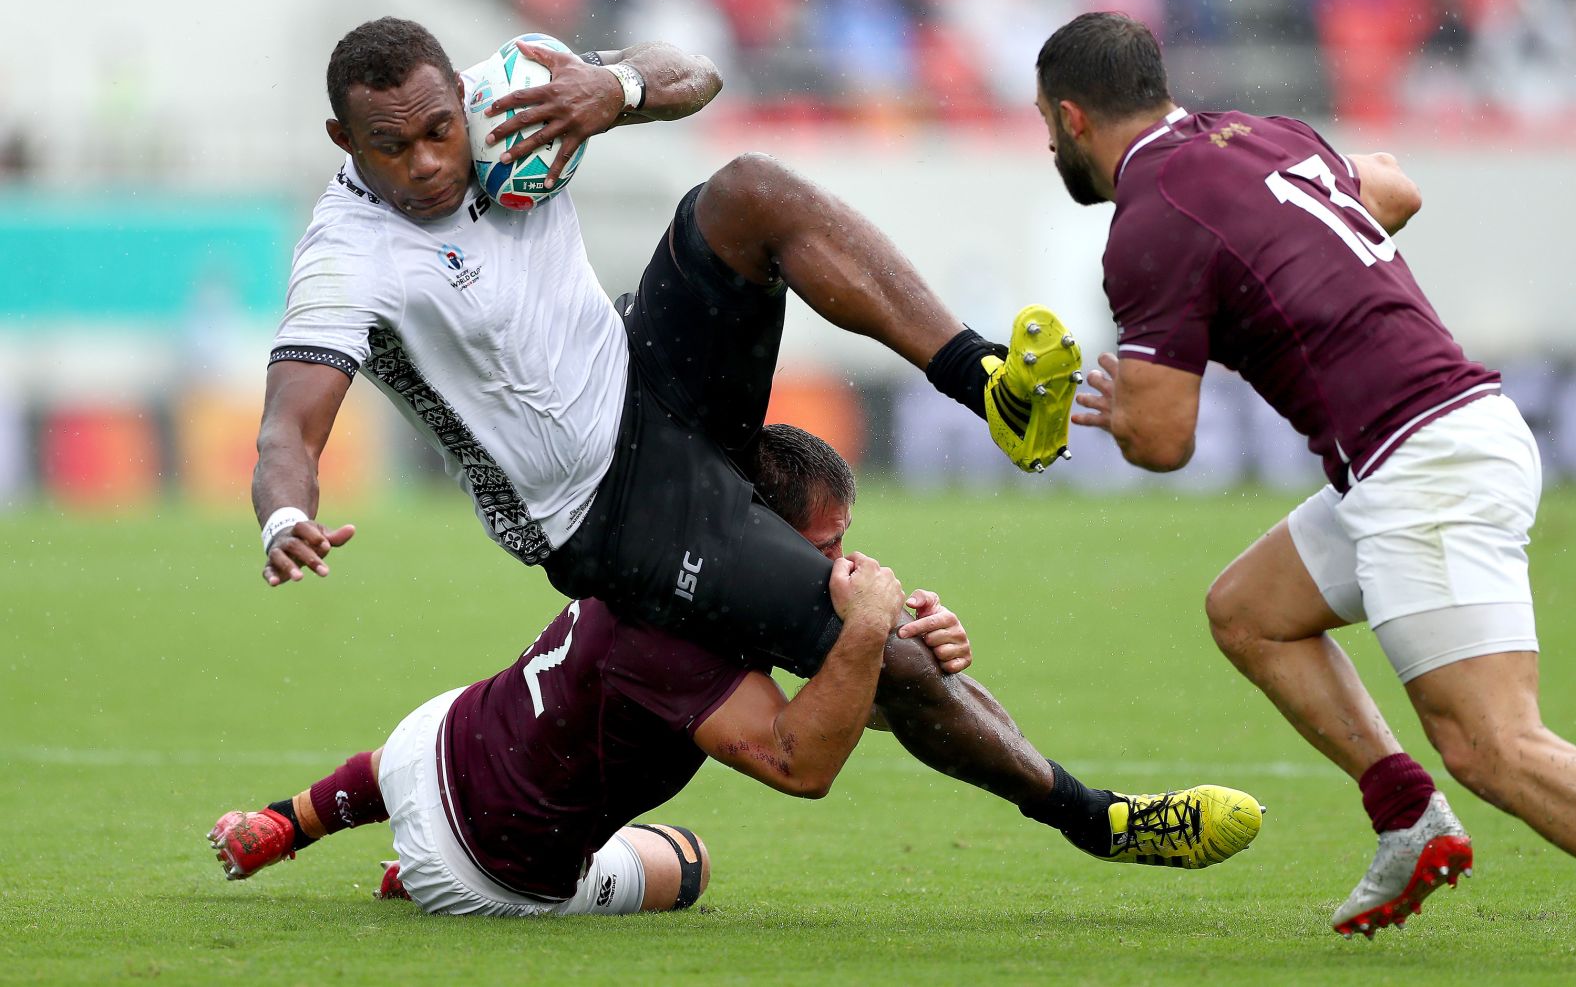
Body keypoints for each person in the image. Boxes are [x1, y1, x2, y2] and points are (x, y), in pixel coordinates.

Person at [252, 16, 1111, 846]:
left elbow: (695, 70)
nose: (430, 162)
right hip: (601, 512)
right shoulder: (344, 257)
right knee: (891, 655)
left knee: (750, 191)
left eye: (440, 129)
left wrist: (613, 89)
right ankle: (1096, 818)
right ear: (344, 138)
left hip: (642, 372)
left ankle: (988, 383)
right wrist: (287, 517)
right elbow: (288, 428)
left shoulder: (512, 93)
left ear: (457, 94)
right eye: (391, 147)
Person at [212, 425, 1264, 913]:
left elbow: (865, 699)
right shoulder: (675, 635)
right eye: (818, 553)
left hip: (431, 743)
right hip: (493, 873)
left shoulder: (667, 555)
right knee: (686, 860)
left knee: (439, 734)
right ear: (759, 536)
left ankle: (293, 819)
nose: (831, 573)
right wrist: (866, 638)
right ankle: (405, 868)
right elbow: (806, 761)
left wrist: (903, 646)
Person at [1036, 10, 1572, 938]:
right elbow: (1396, 189)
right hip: (1433, 443)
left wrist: (1114, 405)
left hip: (1424, 461)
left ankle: (1432, 797)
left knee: (1495, 748)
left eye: (1046, 126)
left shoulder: (1150, 218)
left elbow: (1163, 441)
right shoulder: (1263, 136)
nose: (1048, 142)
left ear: (1073, 117)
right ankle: (1407, 812)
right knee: (1250, 611)